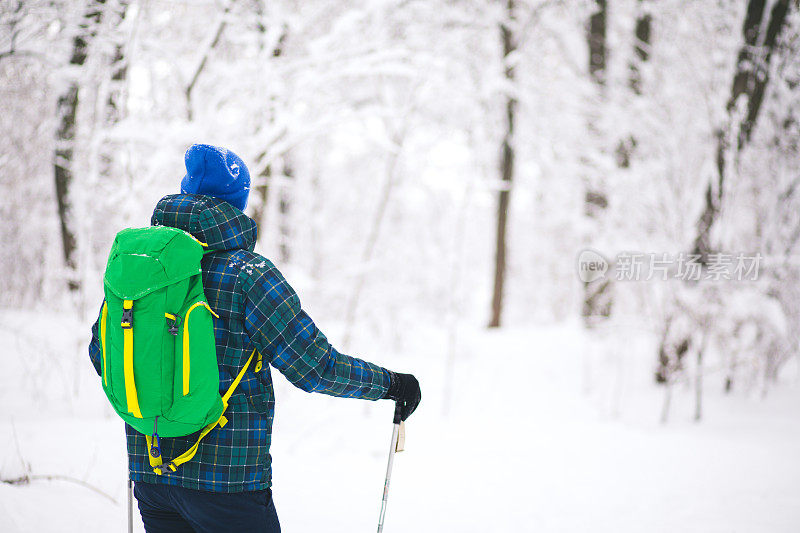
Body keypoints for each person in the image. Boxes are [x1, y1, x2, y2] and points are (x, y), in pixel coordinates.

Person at [88, 143, 421, 533]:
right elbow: (314, 367)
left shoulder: (140, 269)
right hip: (228, 483)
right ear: (237, 202)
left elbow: (101, 353)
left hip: (151, 474)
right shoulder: (249, 274)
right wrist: (391, 384)